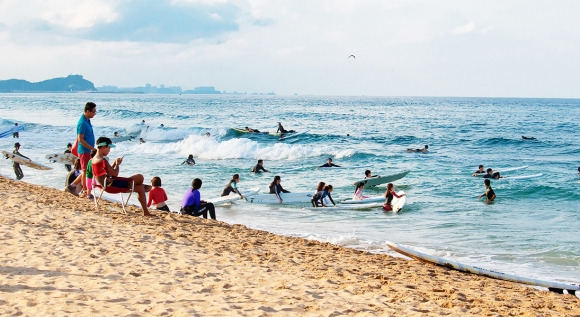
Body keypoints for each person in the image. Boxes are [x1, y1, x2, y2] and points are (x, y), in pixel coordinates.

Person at [91, 137, 152, 216]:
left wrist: (113, 164)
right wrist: (117, 164)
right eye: (109, 148)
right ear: (103, 147)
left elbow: (107, 172)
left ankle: (146, 211)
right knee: (140, 177)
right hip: (112, 185)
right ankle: (144, 188)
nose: (109, 150)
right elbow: (115, 174)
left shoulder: (94, 159)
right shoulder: (103, 160)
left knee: (140, 188)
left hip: (106, 185)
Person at [77, 102, 97, 195]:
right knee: (85, 171)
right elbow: (80, 139)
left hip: (88, 150)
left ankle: (76, 185)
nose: (94, 114)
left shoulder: (87, 120)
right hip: (85, 150)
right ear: (88, 111)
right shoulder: (82, 123)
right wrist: (91, 148)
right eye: (93, 112)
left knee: (87, 170)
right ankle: (85, 190)